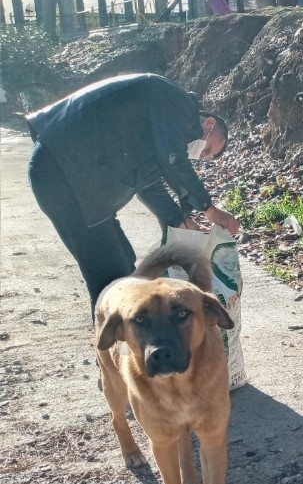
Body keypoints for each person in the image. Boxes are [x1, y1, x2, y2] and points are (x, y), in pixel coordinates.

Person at [26, 72, 240, 313]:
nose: (199, 154)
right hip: (61, 173)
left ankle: (124, 346)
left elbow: (147, 183)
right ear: (209, 125)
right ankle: (115, 347)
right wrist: (209, 209)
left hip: (80, 185)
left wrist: (178, 219)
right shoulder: (173, 100)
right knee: (111, 281)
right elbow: (172, 160)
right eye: (207, 149)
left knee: (124, 269)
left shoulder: (159, 126)